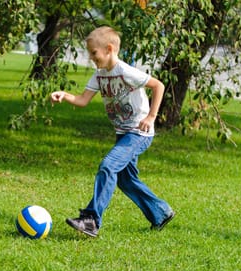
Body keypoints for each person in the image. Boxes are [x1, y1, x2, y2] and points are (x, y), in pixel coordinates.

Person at [50, 26, 174, 238]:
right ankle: (161, 212)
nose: (91, 57)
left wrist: (151, 117)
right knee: (125, 180)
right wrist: (64, 95)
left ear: (109, 49)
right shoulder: (99, 75)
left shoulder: (125, 71)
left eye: (94, 53)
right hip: (122, 132)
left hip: (139, 132)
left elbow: (158, 86)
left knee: (108, 166)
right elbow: (82, 100)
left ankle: (90, 220)